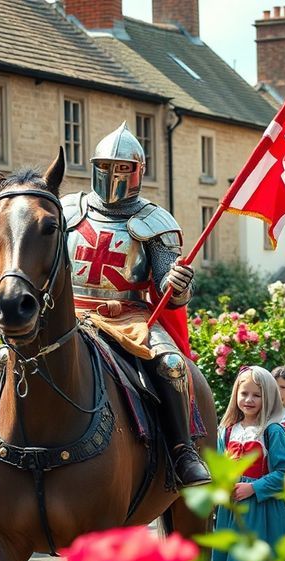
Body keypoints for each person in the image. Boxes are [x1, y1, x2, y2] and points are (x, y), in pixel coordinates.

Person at [61, 123, 209, 487]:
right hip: (70, 313)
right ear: (95, 167)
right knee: (10, 354)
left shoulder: (155, 222)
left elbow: (166, 288)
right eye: (107, 167)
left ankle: (182, 451)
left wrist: (176, 284)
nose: (114, 175)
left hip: (128, 317)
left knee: (172, 364)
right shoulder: (66, 211)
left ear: (138, 172)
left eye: (123, 168)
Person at [212, 366, 285, 561]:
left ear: (269, 398)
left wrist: (254, 488)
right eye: (244, 393)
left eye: (257, 395)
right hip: (233, 511)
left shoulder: (272, 431)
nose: (249, 399)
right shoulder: (226, 431)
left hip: (262, 512)